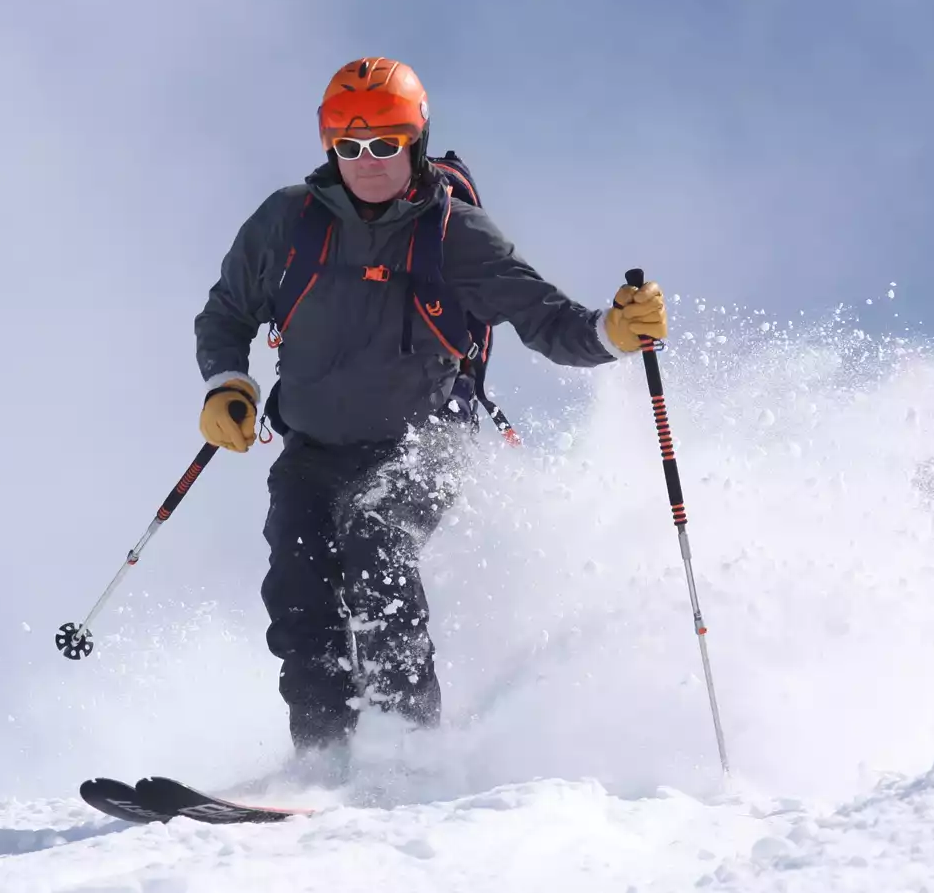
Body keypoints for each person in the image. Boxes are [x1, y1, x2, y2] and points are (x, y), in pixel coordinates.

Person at [193, 57, 667, 765]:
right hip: (314, 451)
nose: (367, 161)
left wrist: (612, 332)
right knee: (299, 593)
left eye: (384, 144)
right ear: (329, 147)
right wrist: (227, 383)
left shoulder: (457, 236)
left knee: (377, 543)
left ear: (415, 141)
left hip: (426, 442)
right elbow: (227, 311)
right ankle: (323, 761)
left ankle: (408, 751)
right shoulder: (286, 224)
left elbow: (548, 321)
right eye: (349, 147)